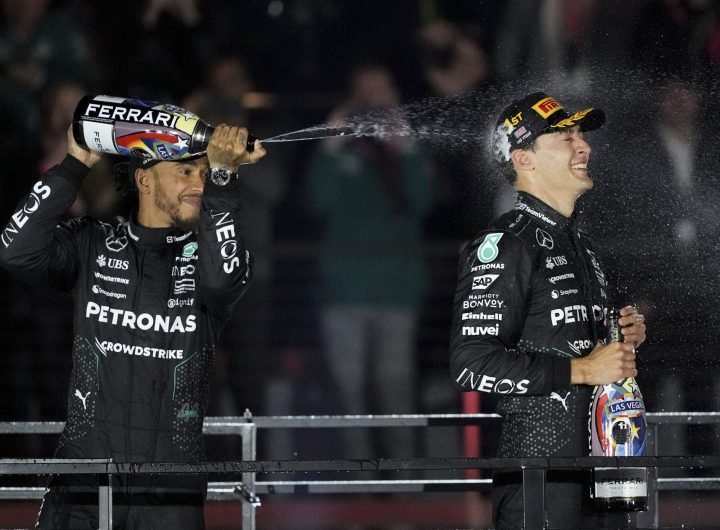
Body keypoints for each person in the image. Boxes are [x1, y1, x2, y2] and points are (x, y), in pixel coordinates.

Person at [0, 123, 266, 529]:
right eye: (184, 171)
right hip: (83, 479)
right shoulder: (92, 241)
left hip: (170, 487)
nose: (199, 183)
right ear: (143, 178)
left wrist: (225, 178)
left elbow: (223, 280)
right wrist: (74, 166)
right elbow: (16, 252)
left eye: (204, 172)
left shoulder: (209, 258)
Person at [449, 91, 647, 529]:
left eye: (581, 136)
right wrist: (582, 370)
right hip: (539, 477)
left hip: (603, 471)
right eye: (566, 138)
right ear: (525, 159)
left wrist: (621, 337)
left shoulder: (583, 245)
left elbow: (574, 345)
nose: (585, 147)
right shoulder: (505, 243)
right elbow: (470, 363)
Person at [304, 64, 434, 459]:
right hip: (343, 289)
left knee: (396, 388)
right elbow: (316, 201)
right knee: (349, 393)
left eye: (382, 93)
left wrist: (404, 139)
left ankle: (405, 489)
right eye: (366, 94)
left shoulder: (406, 148)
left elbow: (423, 200)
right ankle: (357, 491)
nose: (375, 103)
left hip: (397, 289)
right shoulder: (340, 148)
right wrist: (332, 134)